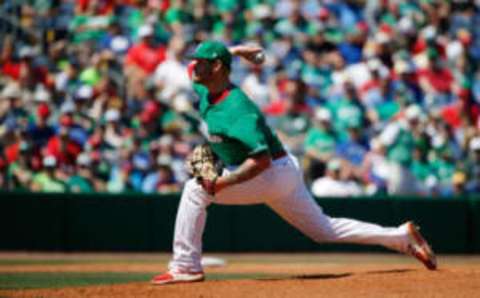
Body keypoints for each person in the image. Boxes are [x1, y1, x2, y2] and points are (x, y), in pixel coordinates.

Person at [151, 41, 437, 285]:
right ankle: (400, 237)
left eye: (202, 62)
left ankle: (186, 265)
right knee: (324, 230)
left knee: (195, 189)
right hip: (283, 168)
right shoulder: (205, 86)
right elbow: (198, 68)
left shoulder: (238, 109)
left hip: (268, 171)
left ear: (216, 68)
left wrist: (224, 182)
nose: (194, 67)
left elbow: (259, 161)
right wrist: (235, 51)